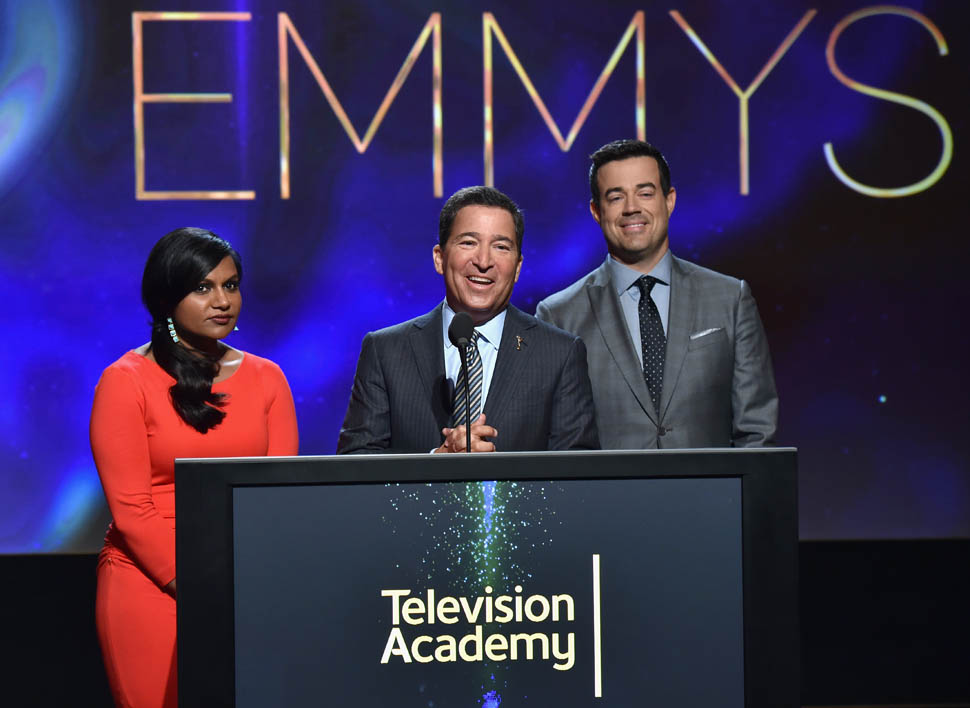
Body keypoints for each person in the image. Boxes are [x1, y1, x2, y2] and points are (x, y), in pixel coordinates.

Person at [90, 227, 299, 707]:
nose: (222, 301)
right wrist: (203, 586)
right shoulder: (125, 381)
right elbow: (131, 510)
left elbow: (278, 497)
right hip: (151, 583)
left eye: (231, 285)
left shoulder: (268, 379)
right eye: (203, 287)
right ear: (167, 297)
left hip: (247, 583)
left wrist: (251, 583)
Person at [536, 139, 778, 448]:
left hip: (711, 482)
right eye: (616, 197)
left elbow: (757, 433)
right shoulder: (559, 315)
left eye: (645, 193)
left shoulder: (730, 298)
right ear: (596, 211)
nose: (632, 208)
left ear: (669, 200)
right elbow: (556, 442)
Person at [337, 186, 598, 454]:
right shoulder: (386, 351)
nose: (483, 261)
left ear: (518, 267)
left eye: (501, 247)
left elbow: (577, 472)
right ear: (439, 258)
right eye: (468, 243)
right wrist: (436, 462)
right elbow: (355, 464)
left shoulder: (559, 354)